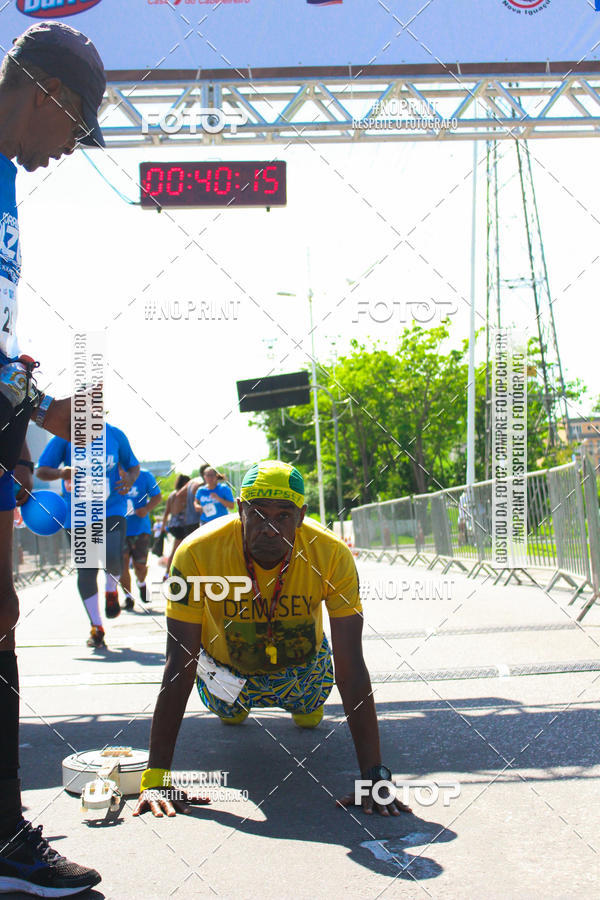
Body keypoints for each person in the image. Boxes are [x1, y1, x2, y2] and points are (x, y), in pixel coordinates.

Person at [134, 460, 409, 820]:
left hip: (302, 673)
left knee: (309, 711)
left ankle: (305, 705)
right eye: (259, 514)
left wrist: (375, 777)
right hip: (227, 674)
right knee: (229, 711)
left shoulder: (331, 554)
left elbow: (351, 665)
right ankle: (236, 706)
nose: (269, 528)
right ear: (240, 509)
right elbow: (179, 663)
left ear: (302, 516)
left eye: (284, 516)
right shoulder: (195, 553)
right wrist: (156, 777)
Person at [0, 21, 107, 898]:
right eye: (76, 131)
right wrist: (36, 410)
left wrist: (24, 414)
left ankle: (3, 839)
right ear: (50, 97)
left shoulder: (5, 180)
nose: (68, 151)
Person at [36, 423, 140, 647]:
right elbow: (41, 470)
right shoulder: (65, 435)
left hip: (111, 508)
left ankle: (111, 590)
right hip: (78, 514)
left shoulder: (115, 434)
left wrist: (130, 479)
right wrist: (62, 472)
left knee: (113, 555)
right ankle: (96, 626)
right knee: (87, 569)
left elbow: (133, 465)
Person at [120, 468, 162, 608]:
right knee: (123, 564)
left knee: (140, 566)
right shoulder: (110, 475)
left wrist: (146, 509)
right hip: (119, 529)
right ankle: (128, 597)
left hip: (140, 529)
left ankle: (141, 583)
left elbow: (157, 496)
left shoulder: (145, 475)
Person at [161, 474, 190, 576]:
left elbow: (166, 512)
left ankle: (167, 572)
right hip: (181, 524)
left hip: (173, 524)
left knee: (175, 549)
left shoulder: (172, 495)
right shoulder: (183, 494)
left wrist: (163, 526)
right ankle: (169, 573)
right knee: (177, 550)